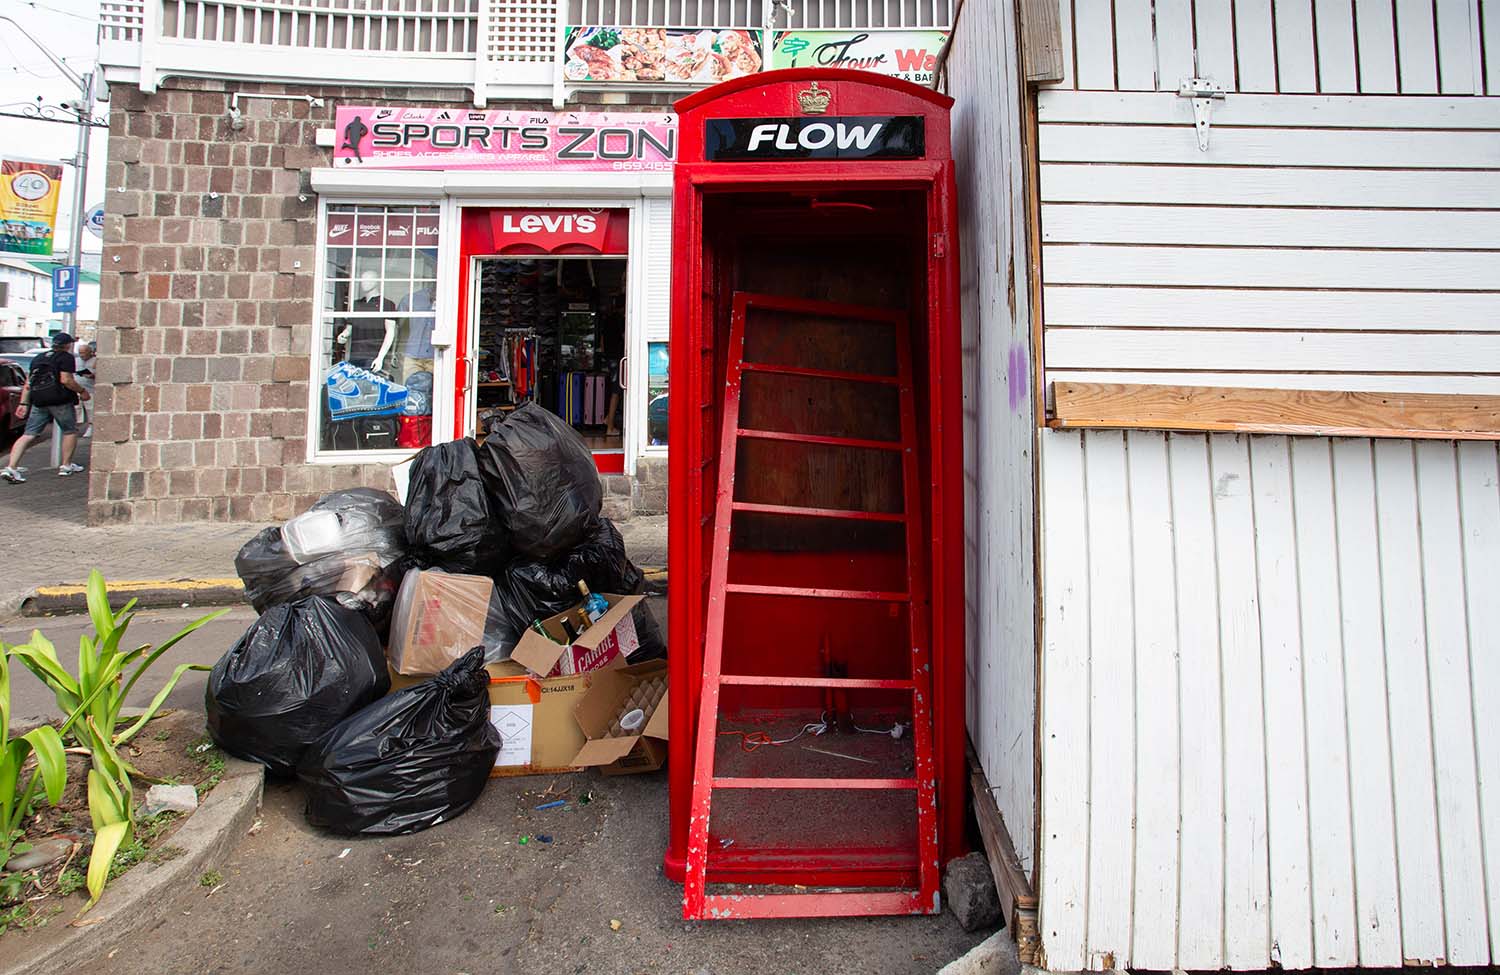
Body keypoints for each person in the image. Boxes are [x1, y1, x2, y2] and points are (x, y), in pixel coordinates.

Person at [1, 333, 91, 484]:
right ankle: (66, 465)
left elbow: (29, 383)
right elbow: (66, 380)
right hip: (59, 400)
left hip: (39, 400)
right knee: (70, 431)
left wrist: (24, 403)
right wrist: (82, 391)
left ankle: (11, 467)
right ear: (68, 345)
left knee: (29, 434)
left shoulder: (39, 358)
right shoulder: (66, 357)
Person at [73, 341, 96, 437]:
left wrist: (92, 375)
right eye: (80, 353)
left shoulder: (95, 360)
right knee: (76, 408)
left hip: (90, 389)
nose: (82, 355)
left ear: (90, 352)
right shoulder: (76, 360)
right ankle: (76, 427)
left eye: (83, 353)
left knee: (90, 409)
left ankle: (91, 427)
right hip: (76, 388)